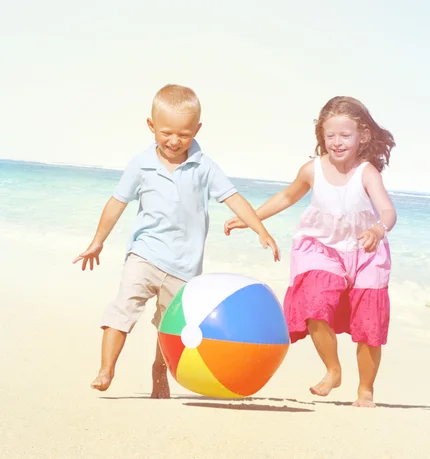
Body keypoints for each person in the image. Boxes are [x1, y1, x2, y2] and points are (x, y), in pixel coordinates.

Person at [73, 84, 280, 398]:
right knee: (123, 307)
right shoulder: (140, 165)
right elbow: (117, 203)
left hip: (184, 266)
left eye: (183, 134)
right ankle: (106, 369)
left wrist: (260, 230)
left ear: (197, 129)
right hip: (143, 255)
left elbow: (234, 199)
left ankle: (160, 369)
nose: (174, 141)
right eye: (166, 132)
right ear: (151, 126)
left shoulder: (204, 167)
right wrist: (97, 241)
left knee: (169, 326)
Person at [224, 96, 396, 408]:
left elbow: (387, 211)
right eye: (330, 136)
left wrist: (377, 230)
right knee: (316, 301)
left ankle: (365, 391)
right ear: (321, 137)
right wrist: (252, 218)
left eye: (345, 135)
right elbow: (286, 197)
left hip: (366, 251)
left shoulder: (367, 172)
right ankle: (333, 370)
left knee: (368, 325)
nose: (337, 142)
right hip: (321, 246)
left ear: (363, 136)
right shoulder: (312, 170)